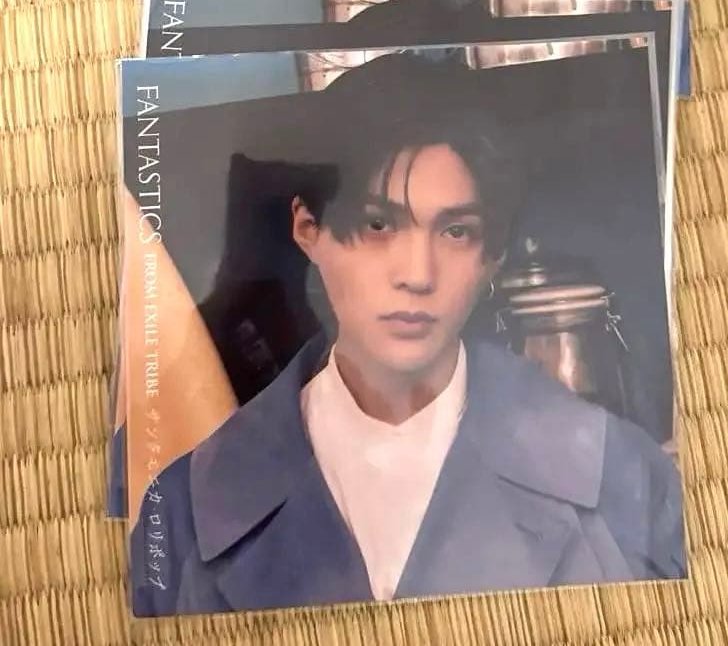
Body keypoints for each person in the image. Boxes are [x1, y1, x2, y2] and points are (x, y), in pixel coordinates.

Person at [130, 51, 685, 617]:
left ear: (492, 256)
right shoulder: (182, 515)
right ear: (309, 230)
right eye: (378, 224)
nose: (418, 275)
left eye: (457, 231)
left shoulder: (624, 479)